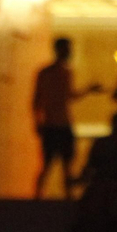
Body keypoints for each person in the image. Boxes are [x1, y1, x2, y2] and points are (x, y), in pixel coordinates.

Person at [32, 38, 101, 199]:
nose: (70, 52)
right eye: (67, 48)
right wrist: (37, 122)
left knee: (64, 165)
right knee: (50, 164)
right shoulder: (47, 73)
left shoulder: (64, 72)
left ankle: (61, 197)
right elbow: (37, 100)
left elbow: (69, 96)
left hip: (60, 124)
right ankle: (40, 196)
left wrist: (88, 90)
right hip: (54, 125)